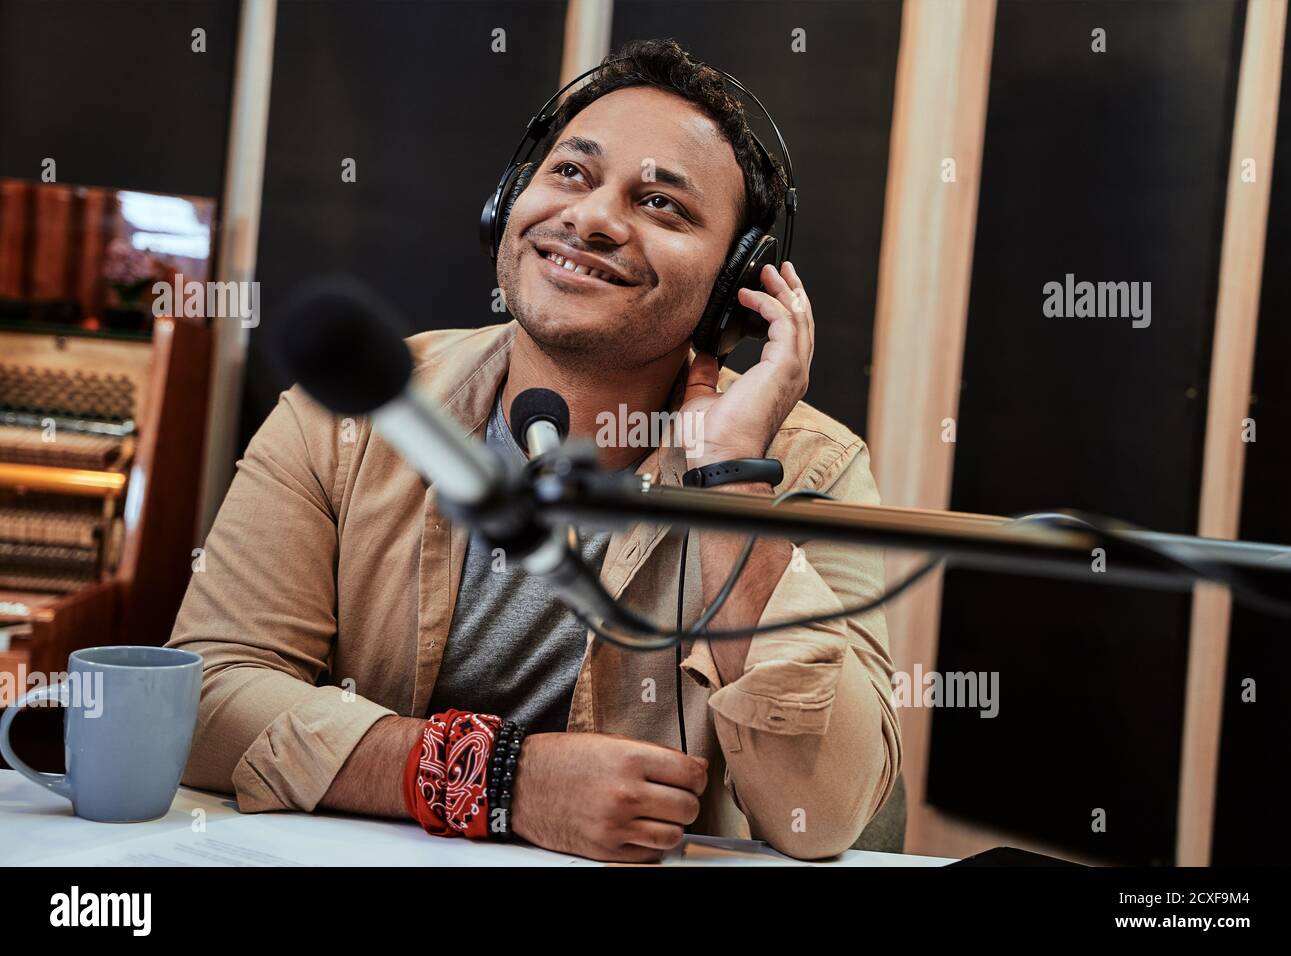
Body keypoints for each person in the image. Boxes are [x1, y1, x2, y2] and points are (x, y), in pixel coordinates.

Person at [168, 38, 900, 863]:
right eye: (572, 174)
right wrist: (497, 780)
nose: (591, 217)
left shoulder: (811, 471)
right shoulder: (349, 414)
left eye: (662, 204)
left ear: (737, 285)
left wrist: (729, 480)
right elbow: (204, 696)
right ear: (508, 203)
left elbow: (823, 815)